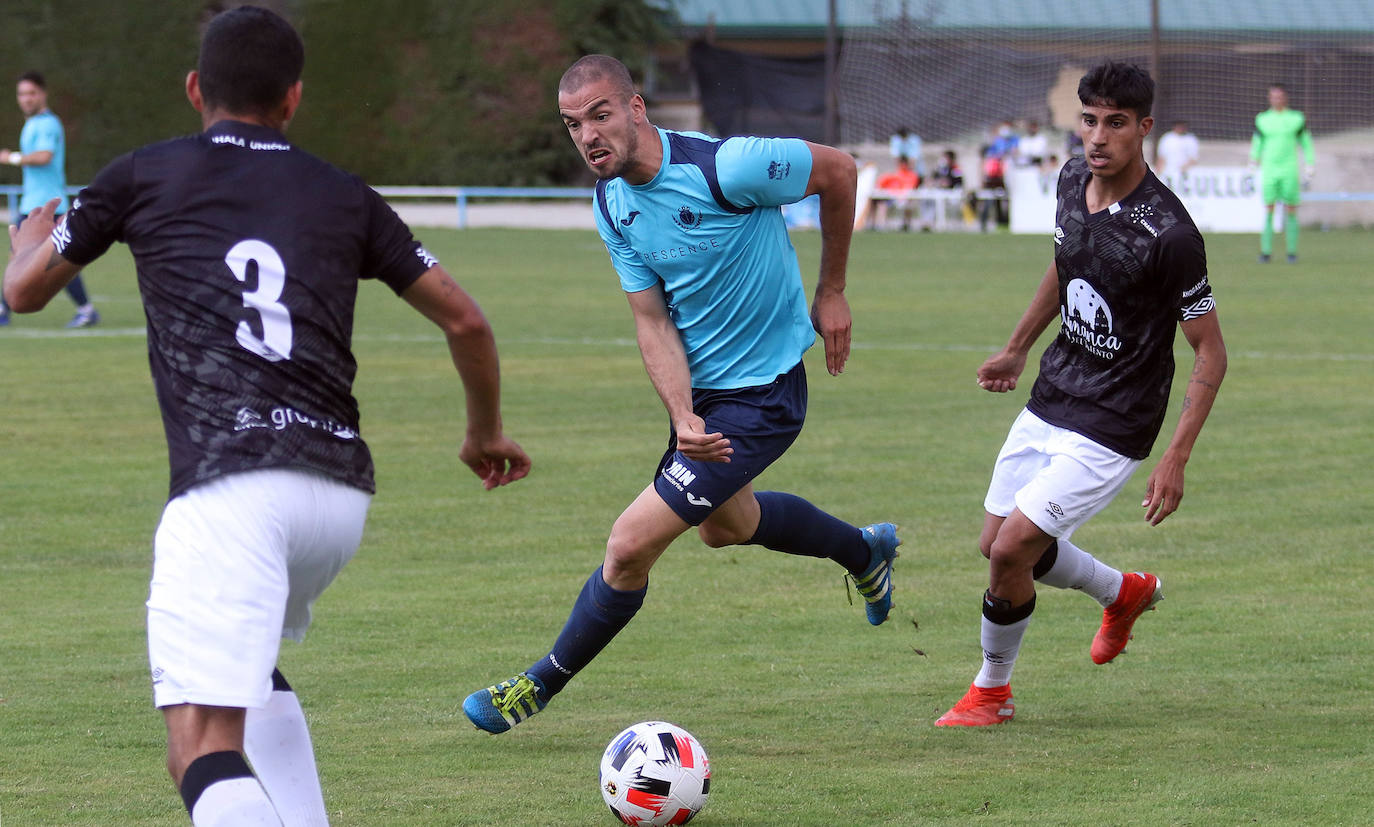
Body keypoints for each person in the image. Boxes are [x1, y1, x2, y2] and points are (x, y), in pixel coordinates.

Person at [3, 7, 530, 824]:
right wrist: (484, 432)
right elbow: (467, 321)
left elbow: (24, 292)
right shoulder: (346, 193)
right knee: (252, 672)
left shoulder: (142, 174)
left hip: (232, 490)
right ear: (293, 98)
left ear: (194, 89)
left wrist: (23, 240)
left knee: (198, 745)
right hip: (338, 496)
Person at [461, 54, 901, 734]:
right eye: (573, 124)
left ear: (636, 108)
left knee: (628, 545)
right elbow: (652, 321)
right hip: (705, 402)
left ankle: (534, 686)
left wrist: (833, 288)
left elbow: (840, 171)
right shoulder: (612, 202)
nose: (588, 136)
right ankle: (863, 551)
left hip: (763, 395)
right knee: (729, 528)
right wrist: (682, 414)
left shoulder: (728, 167)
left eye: (601, 115)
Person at [935, 61, 1226, 727]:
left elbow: (1210, 350)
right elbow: (1067, 264)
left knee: (1011, 551)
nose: (1098, 137)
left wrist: (1176, 456)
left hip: (1118, 415)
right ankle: (1121, 592)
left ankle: (991, 693)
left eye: (1115, 123)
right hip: (1056, 389)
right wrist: (1017, 346)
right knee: (994, 543)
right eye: (1089, 120)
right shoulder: (1071, 179)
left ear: (1144, 128)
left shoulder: (1169, 234)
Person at [0, 71, 99, 328]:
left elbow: (44, 156)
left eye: (32, 93)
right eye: (22, 94)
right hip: (32, 203)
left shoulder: (47, 124)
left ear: (43, 94)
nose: (26, 99)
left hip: (46, 205)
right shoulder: (33, 123)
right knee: (21, 257)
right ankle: (3, 309)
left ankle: (86, 310)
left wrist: (11, 158)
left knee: (56, 260)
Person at [1250, 84, 1315, 264]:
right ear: (1269, 98)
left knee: (1291, 209)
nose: (1276, 99)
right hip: (1270, 169)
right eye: (1273, 96)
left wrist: (1310, 163)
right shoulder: (1262, 119)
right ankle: (1266, 252)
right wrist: (1253, 161)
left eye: (1279, 96)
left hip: (1289, 169)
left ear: (1285, 98)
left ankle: (1291, 252)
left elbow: (1306, 142)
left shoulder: (1296, 119)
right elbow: (1257, 142)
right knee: (1269, 208)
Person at [871, 155, 920, 231]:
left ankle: (906, 225)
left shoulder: (912, 175)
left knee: (908, 205)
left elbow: (910, 188)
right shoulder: (894, 174)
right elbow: (881, 183)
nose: (903, 165)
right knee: (881, 205)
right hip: (892, 198)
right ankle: (880, 225)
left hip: (904, 199)